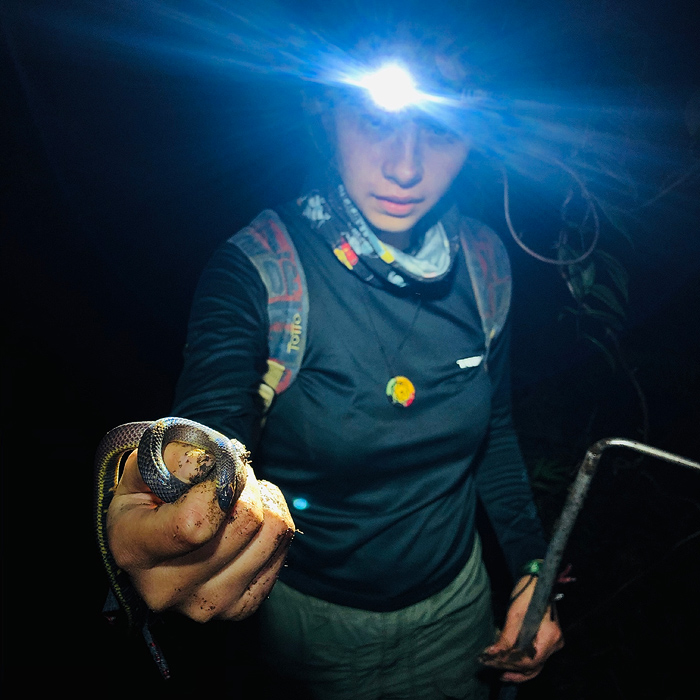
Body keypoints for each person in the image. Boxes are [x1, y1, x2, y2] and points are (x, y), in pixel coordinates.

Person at [104, 24, 563, 700]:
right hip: (310, 633)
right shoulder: (259, 270)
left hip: (460, 613)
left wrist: (533, 570)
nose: (405, 167)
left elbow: (495, 432)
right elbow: (206, 429)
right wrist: (142, 483)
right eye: (376, 119)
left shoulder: (486, 263)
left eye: (441, 129)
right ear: (325, 109)